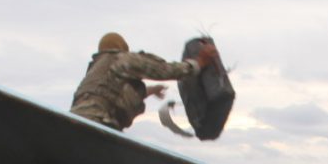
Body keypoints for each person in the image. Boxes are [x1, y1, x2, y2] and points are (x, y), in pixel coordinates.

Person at [70, 32, 219, 131]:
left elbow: (110, 94)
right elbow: (165, 70)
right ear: (123, 48)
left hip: (73, 122)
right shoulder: (124, 59)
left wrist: (151, 90)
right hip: (98, 125)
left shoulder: (95, 70)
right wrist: (199, 62)